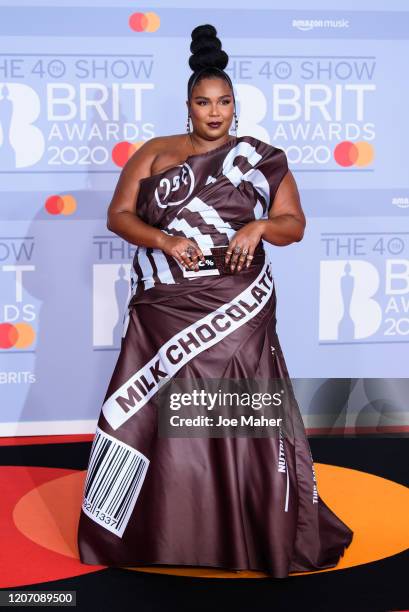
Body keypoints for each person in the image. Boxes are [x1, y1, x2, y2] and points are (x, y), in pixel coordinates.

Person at [77, 24, 353, 578]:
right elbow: (118, 215)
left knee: (241, 413)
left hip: (237, 307)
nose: (214, 112)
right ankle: (156, 531)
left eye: (223, 102)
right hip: (165, 307)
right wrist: (167, 241)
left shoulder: (260, 158)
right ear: (188, 106)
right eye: (204, 102)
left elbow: (294, 224)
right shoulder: (154, 153)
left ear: (235, 106)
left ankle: (248, 532)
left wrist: (259, 228)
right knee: (156, 416)